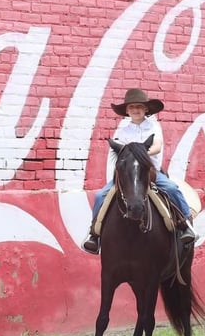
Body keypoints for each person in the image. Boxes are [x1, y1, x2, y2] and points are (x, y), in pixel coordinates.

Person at [82, 88, 198, 254]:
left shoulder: (153, 127)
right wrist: (131, 157)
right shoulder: (123, 132)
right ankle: (95, 234)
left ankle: (185, 224)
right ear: (127, 111)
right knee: (101, 195)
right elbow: (120, 152)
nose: (135, 110)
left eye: (139, 106)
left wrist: (139, 154)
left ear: (146, 109)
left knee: (172, 189)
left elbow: (157, 147)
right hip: (128, 175)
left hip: (150, 173)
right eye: (131, 107)